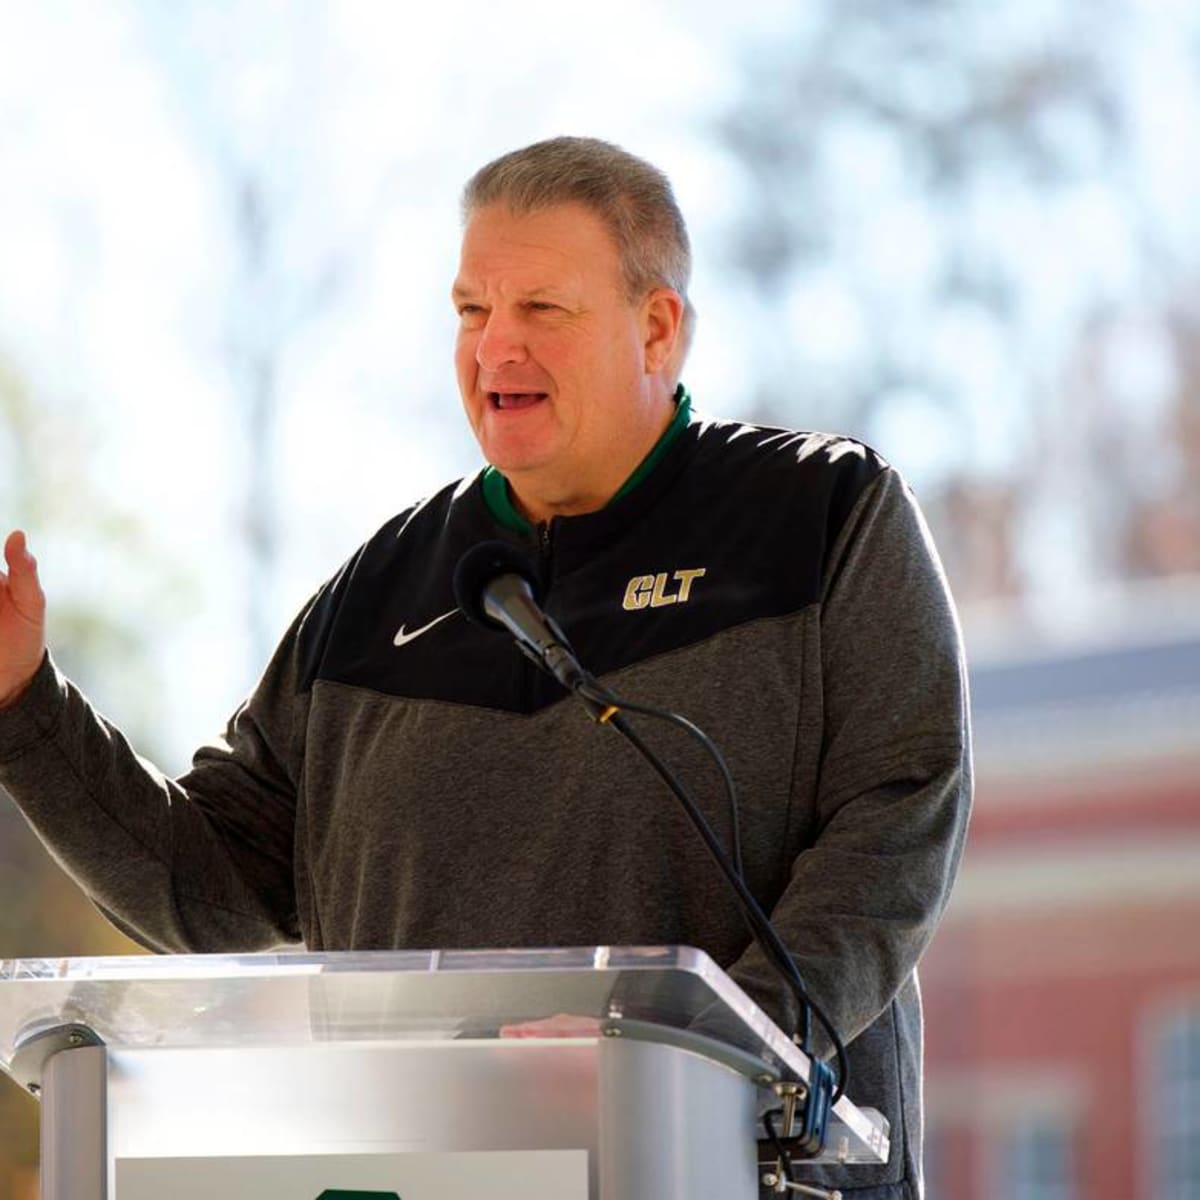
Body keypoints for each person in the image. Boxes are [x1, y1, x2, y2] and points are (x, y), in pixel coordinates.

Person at [0, 136, 971, 1198]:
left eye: (541, 310)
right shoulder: (378, 594)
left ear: (658, 328)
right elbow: (208, 881)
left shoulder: (822, 519)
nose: (493, 346)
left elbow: (896, 823)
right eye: (470, 311)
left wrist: (701, 1058)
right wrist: (22, 706)